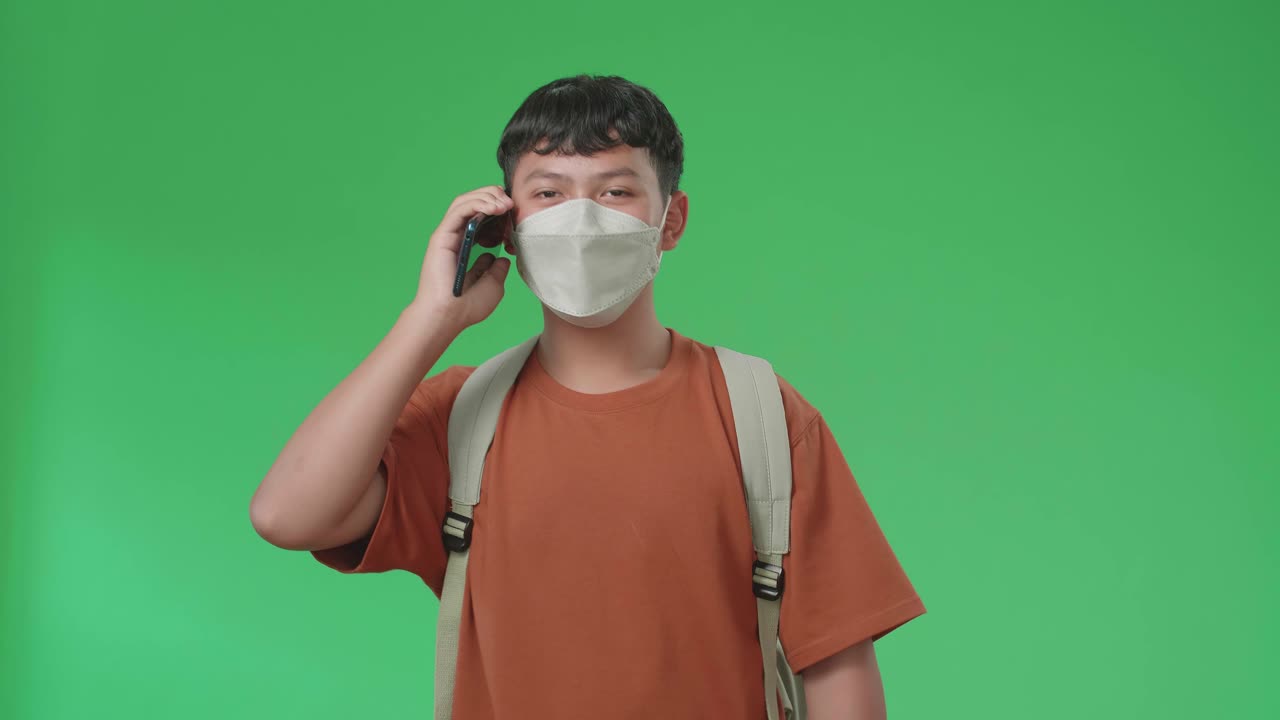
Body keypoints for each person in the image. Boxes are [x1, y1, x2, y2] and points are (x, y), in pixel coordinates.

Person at [249, 74, 926, 720]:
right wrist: (430, 319)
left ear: (671, 219)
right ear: (507, 224)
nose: (580, 219)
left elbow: (838, 664)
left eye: (615, 191)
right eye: (548, 192)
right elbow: (287, 515)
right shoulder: (462, 419)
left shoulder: (759, 413)